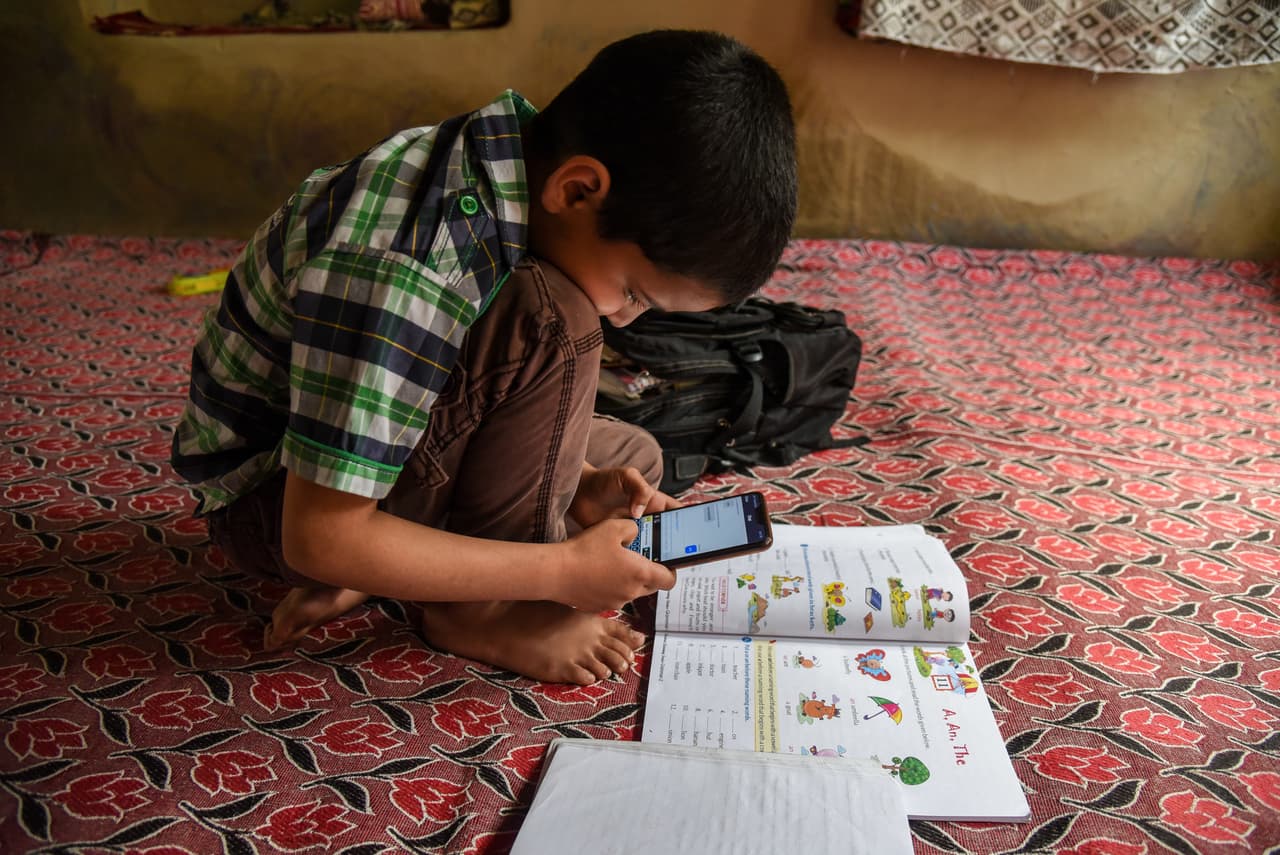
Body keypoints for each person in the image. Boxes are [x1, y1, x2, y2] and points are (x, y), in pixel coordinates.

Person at [171, 29, 797, 685]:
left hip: (359, 454)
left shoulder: (501, 162)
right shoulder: (417, 261)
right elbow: (318, 537)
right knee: (553, 324)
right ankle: (474, 610)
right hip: (273, 506)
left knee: (630, 459)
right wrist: (561, 572)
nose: (624, 318)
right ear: (578, 190)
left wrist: (577, 479)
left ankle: (398, 565)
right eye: (635, 293)